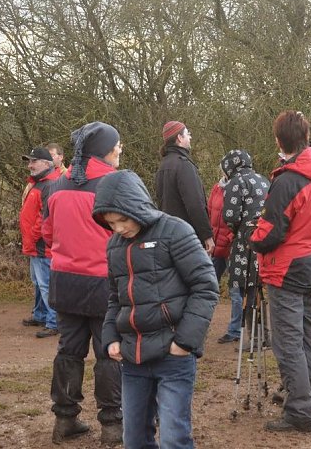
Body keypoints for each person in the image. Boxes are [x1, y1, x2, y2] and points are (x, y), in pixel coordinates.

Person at [94, 170, 219, 449]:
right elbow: (115, 298)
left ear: (136, 206)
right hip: (133, 360)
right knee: (134, 440)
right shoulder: (114, 245)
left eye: (122, 220)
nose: (118, 229)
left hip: (173, 357)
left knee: (174, 439)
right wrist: (111, 337)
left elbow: (206, 287)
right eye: (111, 223)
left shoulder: (176, 231)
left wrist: (185, 341)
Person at [41, 122, 123, 445]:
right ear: (105, 150)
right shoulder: (113, 184)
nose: (120, 149)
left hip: (64, 281)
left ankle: (64, 419)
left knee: (68, 352)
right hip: (103, 283)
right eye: (117, 145)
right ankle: (113, 425)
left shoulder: (58, 184)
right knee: (109, 354)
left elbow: (47, 234)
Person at [250, 111, 311, 433]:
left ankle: (300, 410)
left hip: (288, 266)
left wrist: (250, 237)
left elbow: (269, 233)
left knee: (288, 340)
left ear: (279, 141)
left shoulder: (288, 180)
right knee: (309, 333)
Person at [217, 149, 270, 345]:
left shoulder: (235, 182)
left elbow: (230, 215)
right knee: (258, 289)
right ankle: (264, 336)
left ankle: (256, 339)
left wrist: (238, 229)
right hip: (265, 240)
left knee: (247, 288)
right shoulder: (263, 179)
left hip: (246, 242)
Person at [19, 147, 62, 338]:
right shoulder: (40, 183)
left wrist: (34, 236)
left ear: (46, 163)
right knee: (38, 283)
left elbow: (45, 217)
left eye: (33, 161)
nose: (30, 165)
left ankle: (54, 322)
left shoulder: (49, 184)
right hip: (35, 244)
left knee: (46, 285)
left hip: (42, 245)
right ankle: (42, 315)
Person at [155, 121, 214, 255]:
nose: (190, 137)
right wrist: (207, 235)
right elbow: (195, 204)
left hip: (168, 235)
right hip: (188, 237)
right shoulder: (184, 165)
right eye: (187, 134)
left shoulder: (162, 166)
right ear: (179, 138)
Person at [207, 169, 234, 284]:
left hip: (231, 244)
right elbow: (209, 211)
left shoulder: (239, 188)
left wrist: (230, 237)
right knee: (210, 282)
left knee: (235, 286)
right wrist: (208, 234)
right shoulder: (217, 188)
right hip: (216, 243)